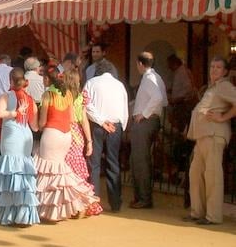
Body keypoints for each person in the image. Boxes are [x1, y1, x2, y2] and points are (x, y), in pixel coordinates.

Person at [185, 56, 236, 225]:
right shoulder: (212, 88)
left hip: (214, 134)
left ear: (225, 71)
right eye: (212, 66)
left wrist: (223, 117)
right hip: (203, 136)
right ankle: (197, 212)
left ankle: (213, 216)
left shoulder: (225, 86)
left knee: (212, 175)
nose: (214, 69)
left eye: (218, 67)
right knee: (195, 173)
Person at [0, 67, 39, 226]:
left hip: (11, 137)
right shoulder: (30, 99)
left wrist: (15, 113)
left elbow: (0, 114)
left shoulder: (6, 95)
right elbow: (35, 126)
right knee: (22, 171)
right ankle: (23, 214)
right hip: (25, 136)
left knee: (10, 170)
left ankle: (7, 213)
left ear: (10, 80)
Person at [34, 67, 85, 222]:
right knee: (61, 172)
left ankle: (51, 210)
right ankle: (77, 203)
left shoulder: (48, 95)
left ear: (47, 80)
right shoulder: (68, 94)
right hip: (66, 135)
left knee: (48, 172)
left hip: (51, 134)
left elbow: (42, 122)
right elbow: (71, 119)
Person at [85, 62, 129, 213]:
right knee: (113, 163)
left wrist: (102, 121)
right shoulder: (119, 85)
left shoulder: (91, 83)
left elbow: (86, 105)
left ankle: (93, 201)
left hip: (97, 126)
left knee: (94, 164)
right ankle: (115, 202)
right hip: (115, 126)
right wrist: (121, 126)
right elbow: (125, 108)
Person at [129, 51, 168, 209]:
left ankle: (143, 198)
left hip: (146, 122)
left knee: (140, 160)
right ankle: (141, 197)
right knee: (139, 159)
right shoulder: (156, 77)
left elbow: (158, 98)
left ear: (140, 64)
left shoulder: (149, 78)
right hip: (151, 120)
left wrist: (144, 114)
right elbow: (163, 100)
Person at [63, 70, 102, 216]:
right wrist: (89, 141)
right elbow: (84, 120)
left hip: (66, 131)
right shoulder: (81, 96)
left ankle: (71, 205)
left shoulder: (63, 97)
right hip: (78, 133)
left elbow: (70, 117)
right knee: (78, 170)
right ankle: (82, 203)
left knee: (67, 170)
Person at [167, 54, 198, 133]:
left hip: (183, 105)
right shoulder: (180, 71)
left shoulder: (182, 72)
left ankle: (181, 142)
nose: (168, 67)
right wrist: (171, 90)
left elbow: (188, 89)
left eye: (169, 64)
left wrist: (176, 99)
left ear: (174, 63)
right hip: (181, 104)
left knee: (182, 127)